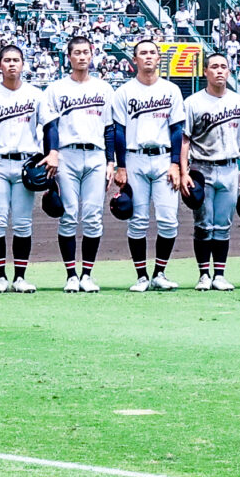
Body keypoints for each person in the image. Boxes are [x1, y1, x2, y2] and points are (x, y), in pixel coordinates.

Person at [107, 43, 182, 291]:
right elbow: (119, 131)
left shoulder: (171, 90)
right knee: (137, 220)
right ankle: (141, 276)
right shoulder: (124, 92)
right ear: (134, 60)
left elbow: (177, 130)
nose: (148, 57)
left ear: (158, 58)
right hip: (135, 156)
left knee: (169, 220)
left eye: (152, 53)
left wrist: (175, 164)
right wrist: (121, 166)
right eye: (143, 53)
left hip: (163, 157)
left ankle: (159, 273)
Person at [41, 35, 112, 293]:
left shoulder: (103, 89)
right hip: (67, 155)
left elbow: (109, 127)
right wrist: (53, 152)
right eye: (77, 53)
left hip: (96, 155)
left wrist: (111, 161)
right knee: (69, 214)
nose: (82, 57)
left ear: (92, 55)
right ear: (69, 57)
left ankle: (87, 275)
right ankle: (71, 274)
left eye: (86, 52)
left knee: (93, 216)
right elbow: (50, 125)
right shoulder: (56, 89)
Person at [0, 44, 45, 292]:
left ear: (23, 64)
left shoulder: (36, 94)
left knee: (23, 223)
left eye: (16, 60)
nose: (12, 64)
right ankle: (0, 277)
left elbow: (49, 127)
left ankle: (20, 277)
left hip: (26, 162)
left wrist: (49, 155)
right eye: (7, 60)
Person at [178, 52, 240, 290]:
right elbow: (184, 140)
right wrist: (184, 172)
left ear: (229, 72)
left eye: (224, 67)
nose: (220, 71)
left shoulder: (239, 102)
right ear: (205, 71)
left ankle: (219, 274)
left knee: (223, 224)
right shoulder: (193, 103)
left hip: (229, 167)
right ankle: (203, 275)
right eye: (215, 67)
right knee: (203, 223)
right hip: (201, 168)